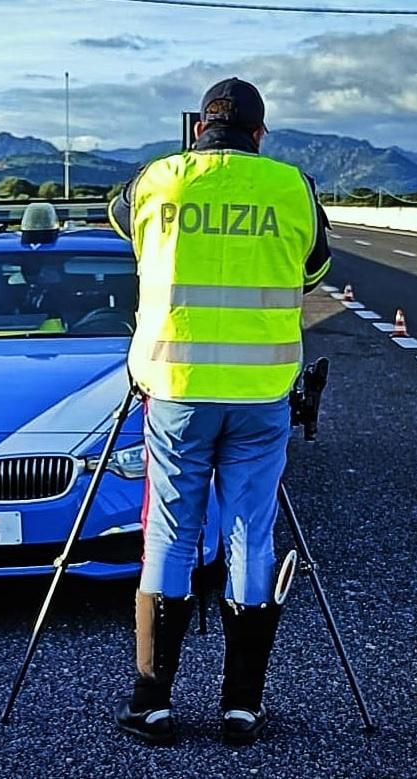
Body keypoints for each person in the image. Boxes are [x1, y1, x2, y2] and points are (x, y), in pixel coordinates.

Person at [107, 77, 332, 745]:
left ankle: (152, 700)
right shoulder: (291, 185)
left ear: (198, 129)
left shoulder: (158, 180)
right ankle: (241, 706)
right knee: (249, 536)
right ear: (259, 134)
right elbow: (314, 270)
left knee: (170, 535)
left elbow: (120, 220)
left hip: (174, 388)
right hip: (261, 395)